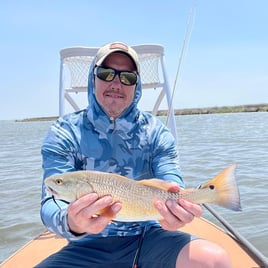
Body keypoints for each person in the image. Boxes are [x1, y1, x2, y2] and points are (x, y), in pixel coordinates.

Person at [37, 42, 232, 268]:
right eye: (106, 73)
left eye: (127, 77)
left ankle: (217, 193)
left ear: (136, 86)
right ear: (93, 79)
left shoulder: (157, 132)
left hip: (149, 235)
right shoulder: (64, 132)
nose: (116, 83)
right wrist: (72, 222)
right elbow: (50, 202)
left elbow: (171, 182)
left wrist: (174, 216)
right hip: (85, 245)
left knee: (214, 261)